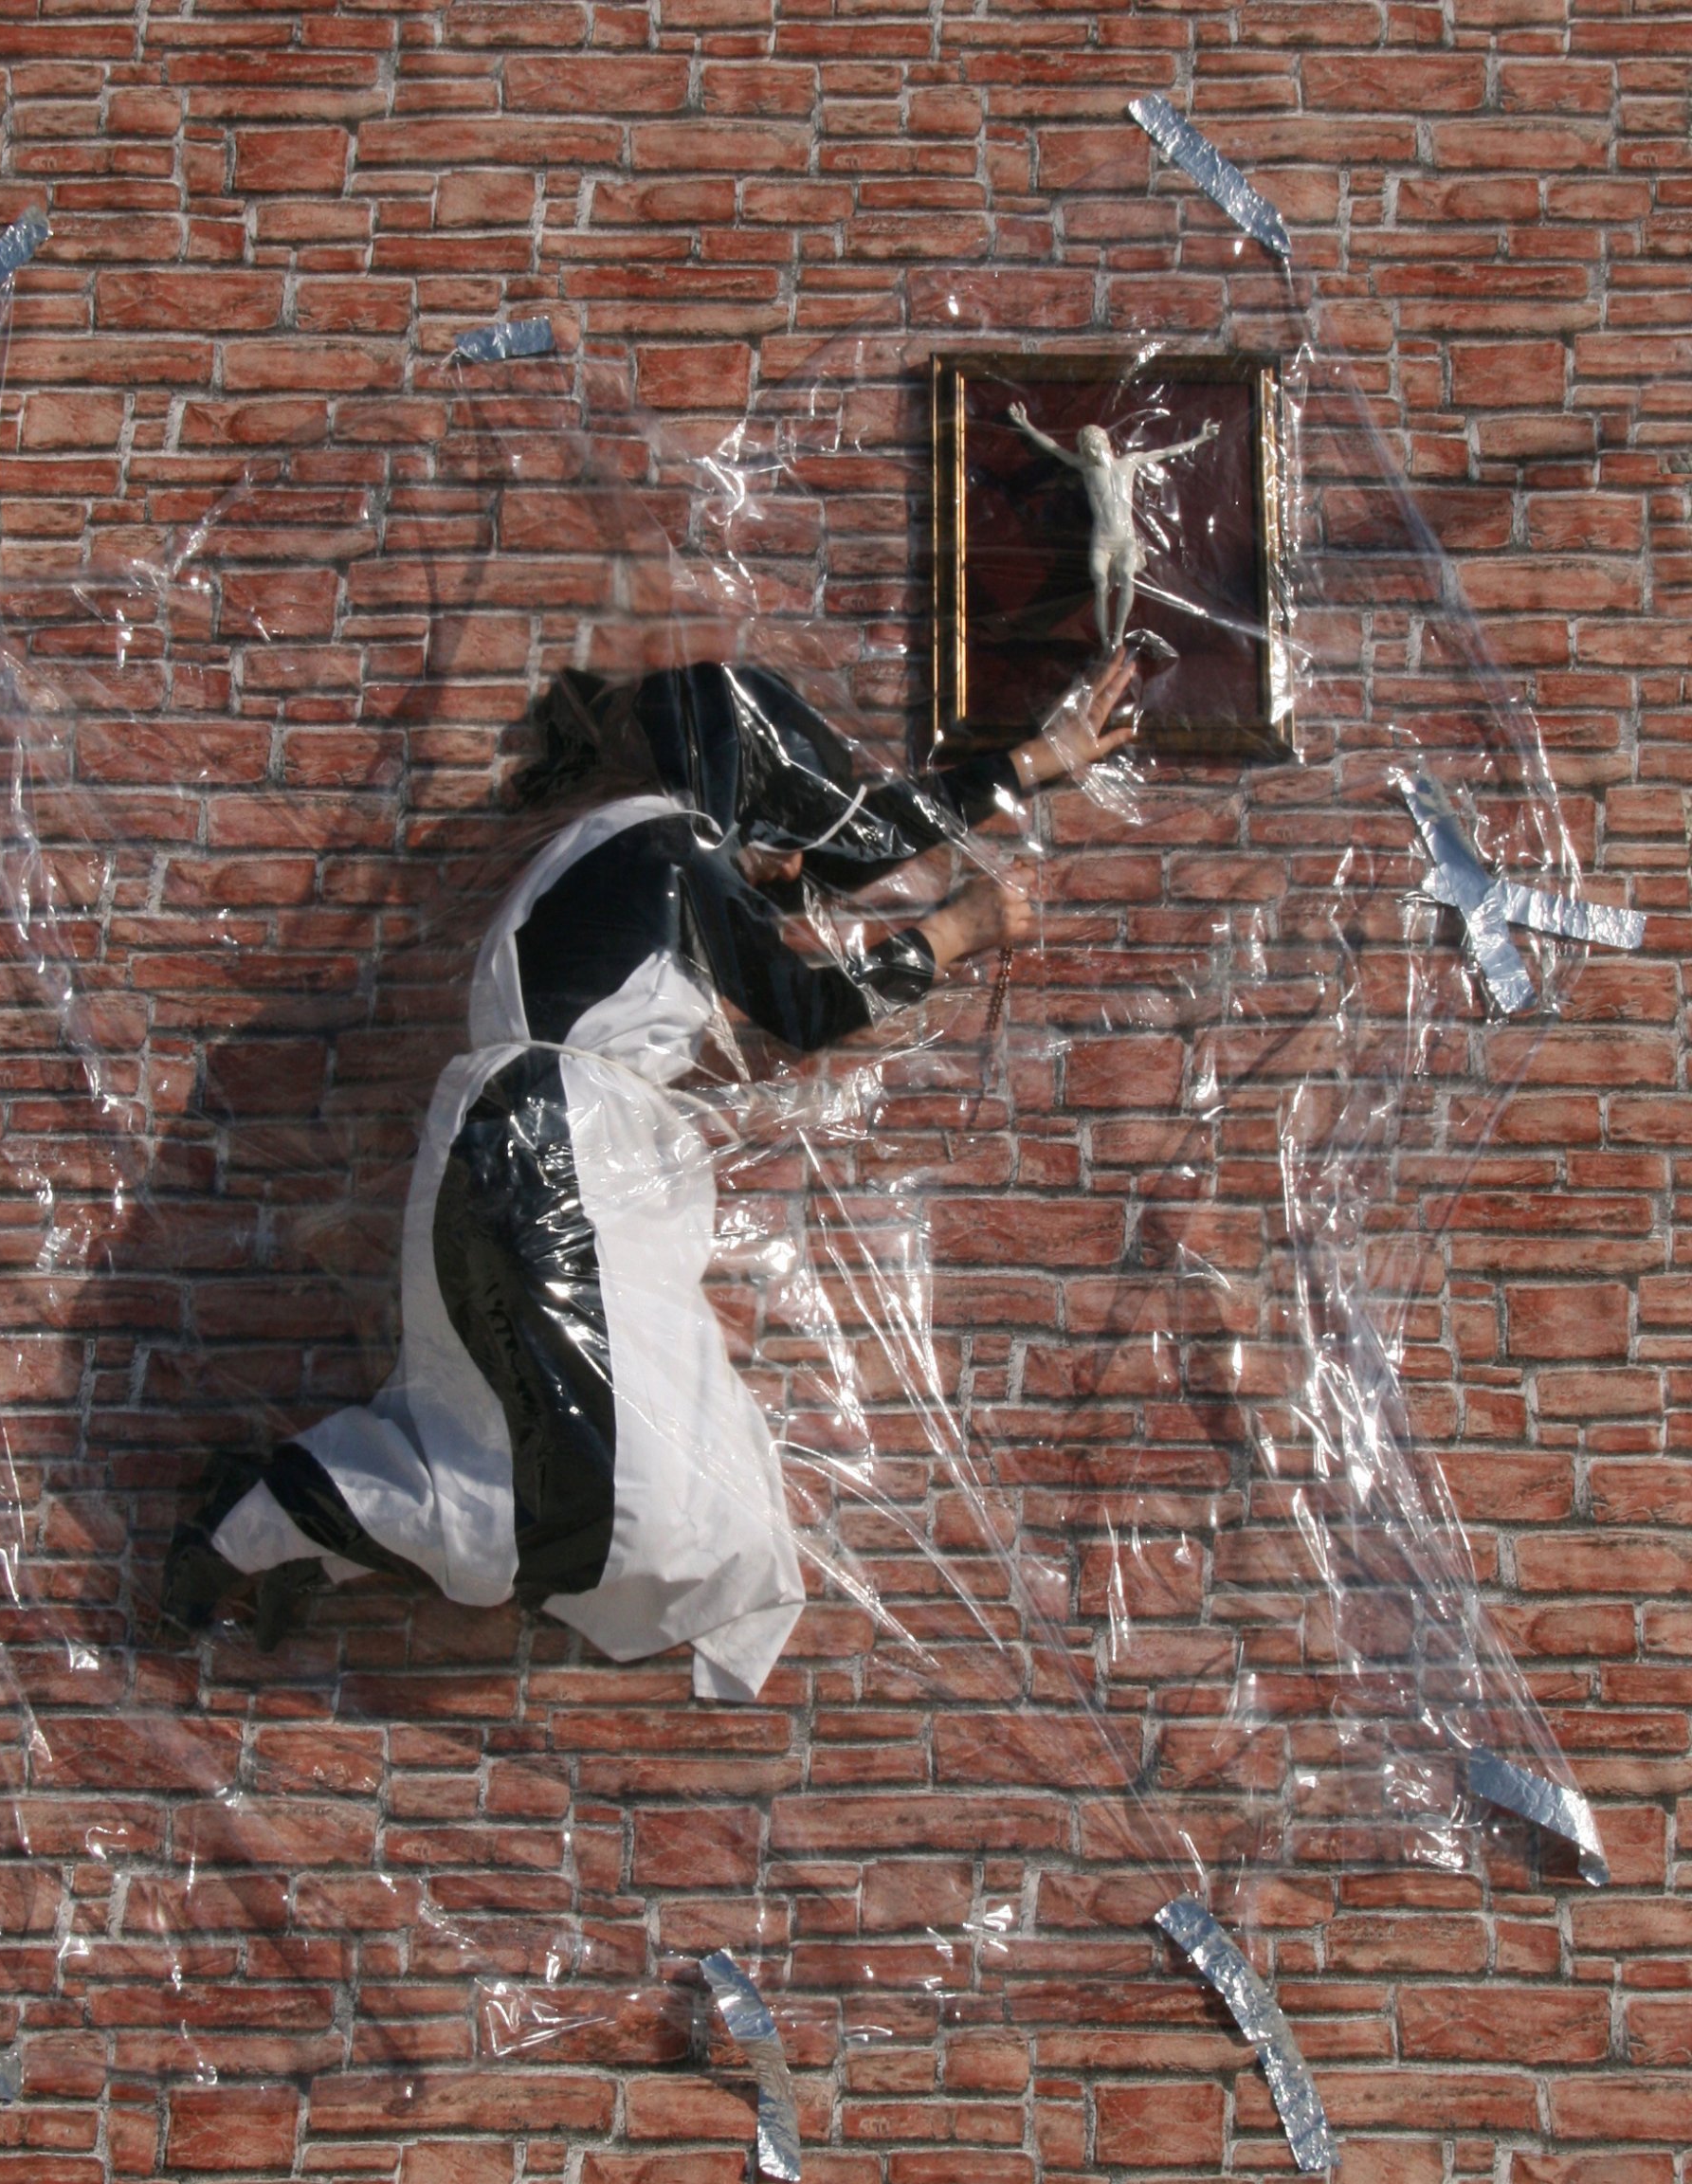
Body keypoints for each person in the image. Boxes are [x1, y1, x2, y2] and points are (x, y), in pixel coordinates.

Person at [163, 656, 1137, 1698]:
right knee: (591, 1491)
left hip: (556, 1158)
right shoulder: (669, 847)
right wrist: (957, 931)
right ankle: (264, 1516)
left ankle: (304, 1529)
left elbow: (849, 847)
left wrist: (1031, 763)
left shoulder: (635, 848)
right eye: (779, 815)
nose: (786, 862)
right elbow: (809, 1006)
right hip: (548, 1154)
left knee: (667, 1487)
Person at [1008, 402, 1220, 651]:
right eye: (1085, 443)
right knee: (1100, 584)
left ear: (1104, 441)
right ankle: (1105, 641)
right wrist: (1026, 424)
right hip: (1101, 541)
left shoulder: (1129, 462)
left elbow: (1165, 452)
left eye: (1092, 440)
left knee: (1126, 577)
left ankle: (1117, 636)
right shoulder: (1085, 467)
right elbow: (1053, 447)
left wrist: (1201, 438)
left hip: (1126, 540)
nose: (1090, 447)